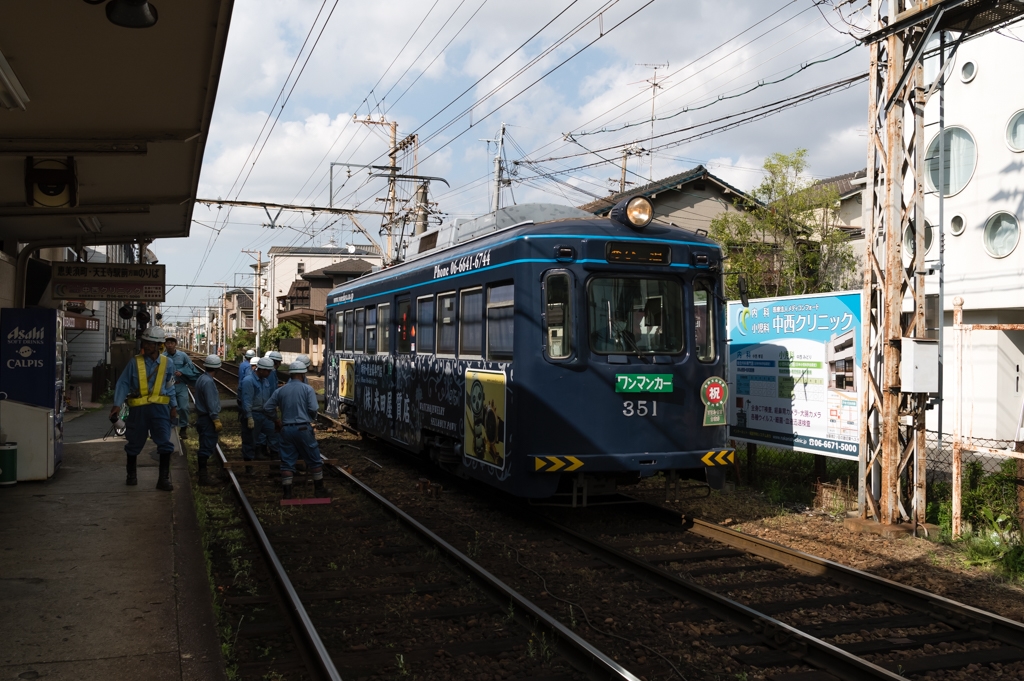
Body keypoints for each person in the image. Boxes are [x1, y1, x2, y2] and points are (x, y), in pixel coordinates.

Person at [110, 326, 178, 491]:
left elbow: (170, 386)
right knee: (134, 441)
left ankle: (163, 480)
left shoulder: (168, 363)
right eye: (145, 342)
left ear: (158, 345)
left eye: (149, 343)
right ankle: (131, 476)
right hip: (138, 410)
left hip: (160, 409)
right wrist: (117, 405)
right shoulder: (135, 362)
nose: (146, 346)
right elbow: (123, 383)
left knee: (164, 442)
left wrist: (174, 406)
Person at [264, 361, 330, 499]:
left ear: (291, 374)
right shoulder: (307, 389)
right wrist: (310, 418)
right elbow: (313, 409)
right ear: (303, 374)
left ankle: (287, 494)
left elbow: (267, 408)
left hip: (286, 430)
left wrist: (276, 420)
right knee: (314, 459)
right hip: (303, 428)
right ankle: (319, 490)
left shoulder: (280, 390)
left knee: (287, 462)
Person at [240, 357, 277, 467]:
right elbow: (246, 400)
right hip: (253, 414)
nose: (269, 373)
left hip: (265, 414)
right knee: (250, 440)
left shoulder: (265, 381)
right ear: (261, 370)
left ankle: (275, 462)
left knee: (275, 434)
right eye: (268, 371)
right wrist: (248, 416)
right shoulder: (248, 381)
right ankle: (249, 466)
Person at [193, 355, 224, 485]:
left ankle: (202, 473)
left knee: (204, 444)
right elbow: (211, 402)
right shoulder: (208, 382)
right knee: (206, 446)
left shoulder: (202, 378)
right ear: (217, 368)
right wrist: (215, 418)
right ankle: (203, 477)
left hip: (202, 418)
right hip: (207, 419)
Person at [163, 335, 198, 440]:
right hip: (168, 386)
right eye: (167, 343)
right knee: (168, 408)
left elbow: (190, 366)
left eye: (172, 343)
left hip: (181, 385)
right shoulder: (162, 357)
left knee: (184, 407)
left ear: (175, 344)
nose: (170, 345)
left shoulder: (182, 355)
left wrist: (182, 371)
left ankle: (183, 427)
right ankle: (169, 427)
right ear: (165, 345)